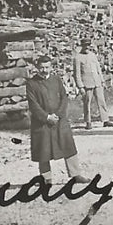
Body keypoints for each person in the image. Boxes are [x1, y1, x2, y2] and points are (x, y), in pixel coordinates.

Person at [26, 55, 89, 183]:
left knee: (68, 146)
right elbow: (33, 104)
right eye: (42, 67)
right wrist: (46, 117)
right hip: (42, 122)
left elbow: (64, 98)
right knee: (43, 150)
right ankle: (46, 178)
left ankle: (76, 174)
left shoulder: (56, 79)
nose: (44, 70)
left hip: (60, 120)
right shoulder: (31, 83)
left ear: (51, 67)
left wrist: (59, 115)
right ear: (37, 67)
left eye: (47, 67)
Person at [73, 39, 113, 128]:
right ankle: (88, 122)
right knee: (87, 103)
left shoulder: (92, 55)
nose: (87, 47)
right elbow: (77, 74)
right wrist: (80, 86)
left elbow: (98, 69)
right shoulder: (77, 58)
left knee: (101, 101)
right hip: (86, 84)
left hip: (97, 82)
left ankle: (105, 120)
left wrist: (102, 81)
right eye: (85, 45)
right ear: (82, 46)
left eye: (88, 45)